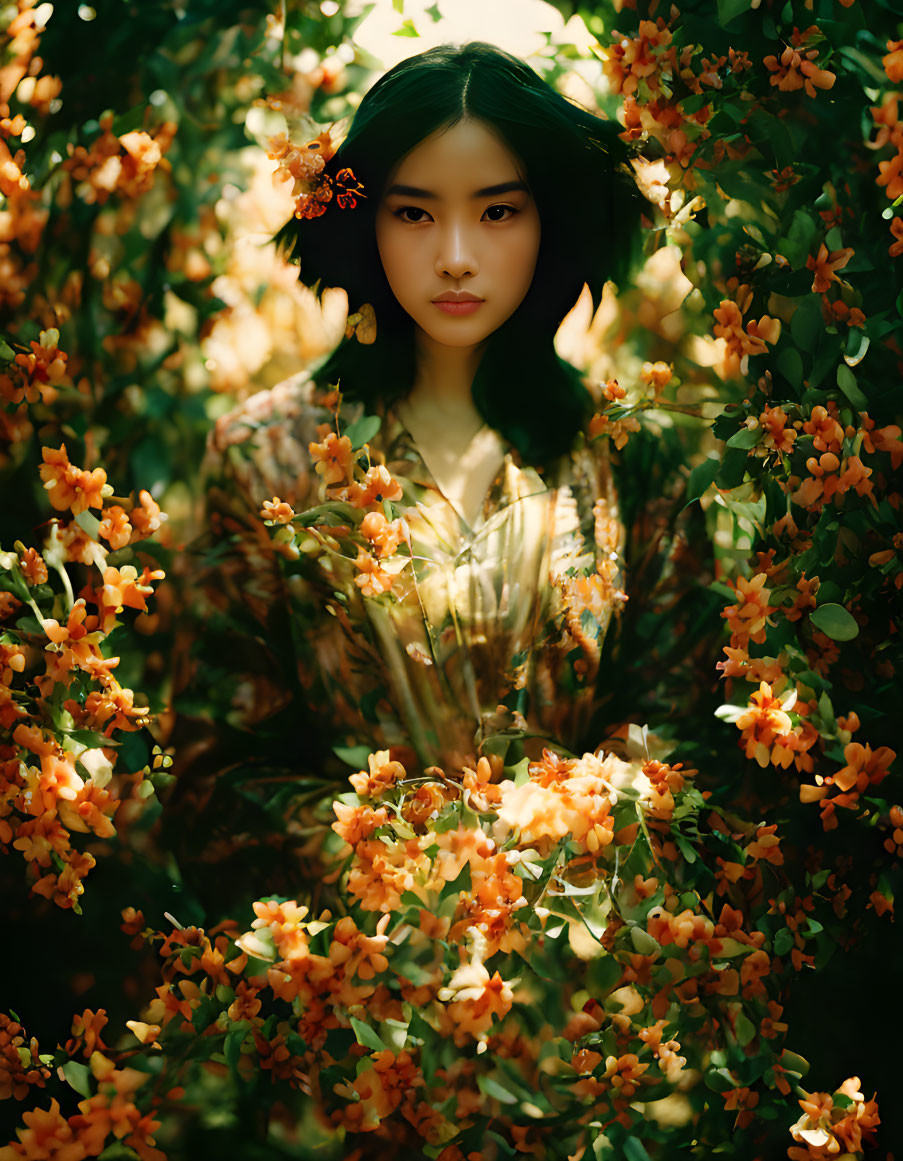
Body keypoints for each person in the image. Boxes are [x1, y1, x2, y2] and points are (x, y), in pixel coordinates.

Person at [173, 41, 647, 888]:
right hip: (349, 978)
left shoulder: (625, 453)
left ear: (549, 220)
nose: (455, 255)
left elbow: (680, 733)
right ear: (364, 220)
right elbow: (218, 781)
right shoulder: (265, 454)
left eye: (497, 212)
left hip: (590, 988)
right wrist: (421, 861)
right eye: (415, 213)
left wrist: (554, 839)